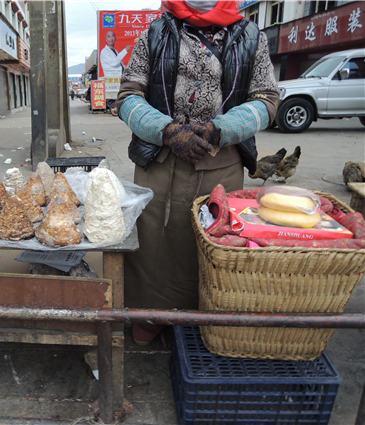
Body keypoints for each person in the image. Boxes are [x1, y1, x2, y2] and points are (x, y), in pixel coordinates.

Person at [116, 0, 280, 345]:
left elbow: (267, 100)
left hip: (222, 162)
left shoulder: (251, 35)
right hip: (160, 162)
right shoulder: (155, 31)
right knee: (152, 245)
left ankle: (207, 315)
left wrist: (222, 129)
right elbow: (129, 96)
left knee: (214, 244)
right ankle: (151, 314)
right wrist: (166, 130)